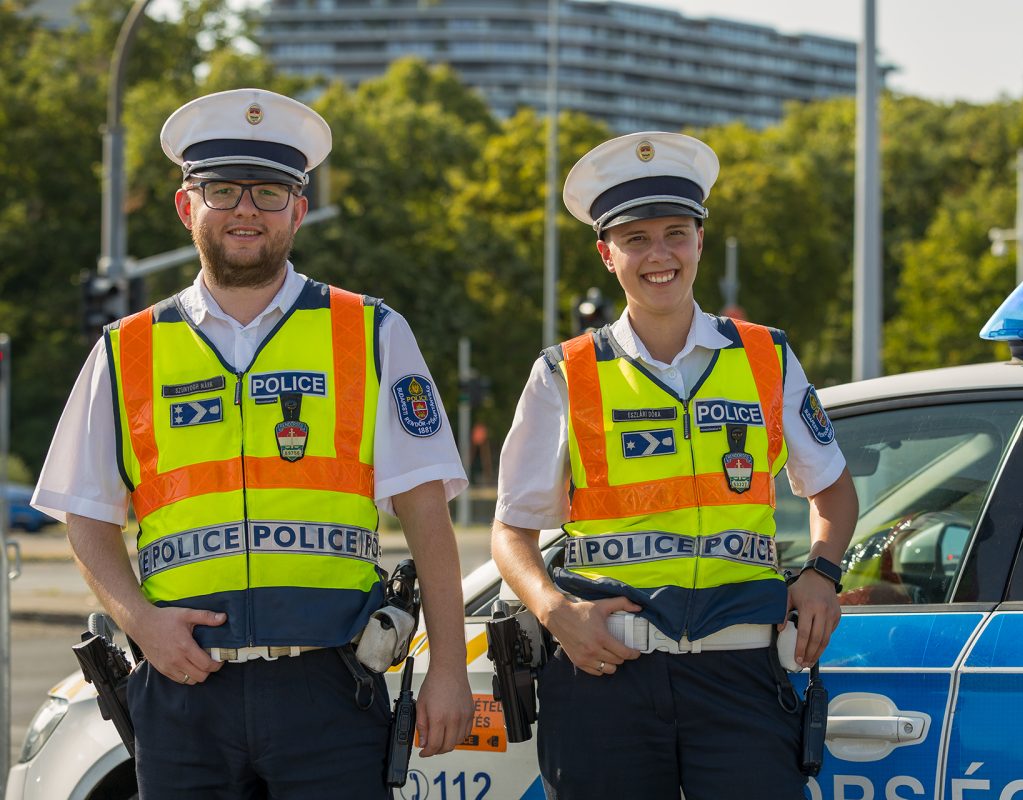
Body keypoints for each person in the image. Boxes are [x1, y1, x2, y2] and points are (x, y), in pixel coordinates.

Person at [32, 88, 473, 799]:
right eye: (223, 191)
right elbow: (84, 513)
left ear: (298, 210)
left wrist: (448, 668)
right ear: (187, 207)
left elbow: (427, 512)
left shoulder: (372, 332)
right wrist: (141, 623)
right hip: (184, 691)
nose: (246, 210)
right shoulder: (126, 349)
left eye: (269, 193)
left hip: (332, 686)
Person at [491, 131, 859, 799]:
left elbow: (832, 490)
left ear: (699, 242)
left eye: (675, 234)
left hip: (741, 674)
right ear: (607, 254)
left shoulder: (766, 356)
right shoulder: (564, 373)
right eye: (636, 239)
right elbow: (512, 530)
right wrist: (553, 610)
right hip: (604, 676)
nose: (658, 255)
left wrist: (822, 574)